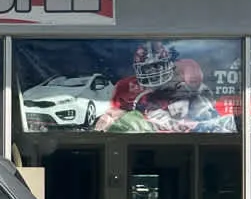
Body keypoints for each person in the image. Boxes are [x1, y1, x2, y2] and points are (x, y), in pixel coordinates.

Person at [94, 41, 233, 133]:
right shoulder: (126, 87)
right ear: (138, 69)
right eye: (147, 68)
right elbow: (113, 115)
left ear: (169, 63)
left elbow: (206, 100)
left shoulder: (185, 72)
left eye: (157, 65)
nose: (153, 72)